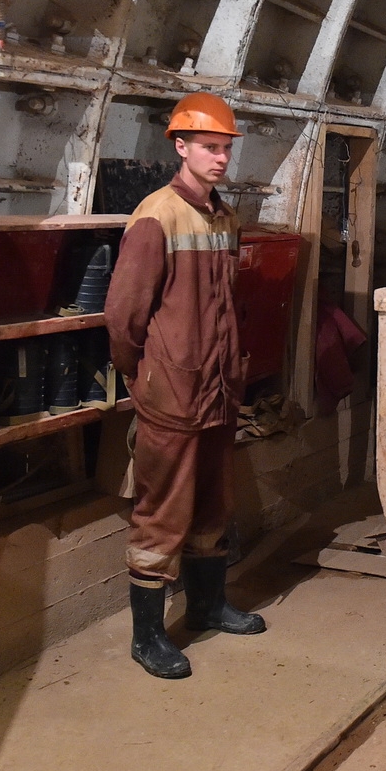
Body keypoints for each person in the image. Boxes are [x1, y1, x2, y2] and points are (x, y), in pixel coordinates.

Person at [105, 92, 266, 680]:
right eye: (208, 147)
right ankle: (147, 637)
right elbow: (124, 315)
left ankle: (207, 606)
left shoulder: (225, 217)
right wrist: (143, 374)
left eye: (225, 148)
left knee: (213, 504)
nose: (220, 158)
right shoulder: (157, 216)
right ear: (180, 147)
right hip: (172, 393)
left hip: (217, 389)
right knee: (162, 514)